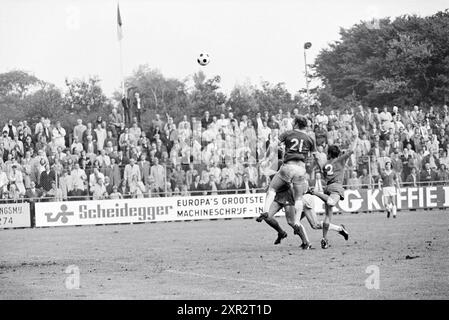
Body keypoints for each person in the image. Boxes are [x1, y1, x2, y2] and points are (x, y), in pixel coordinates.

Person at [261, 115, 315, 225]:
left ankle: (266, 211)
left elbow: (273, 146)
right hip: (300, 169)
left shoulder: (288, 133)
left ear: (296, 124)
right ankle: (296, 222)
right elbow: (314, 157)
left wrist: (265, 158)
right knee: (299, 198)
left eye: (293, 121)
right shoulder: (310, 139)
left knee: (272, 189)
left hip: (288, 167)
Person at [311, 137, 357, 249]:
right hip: (336, 187)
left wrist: (313, 149)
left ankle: (324, 239)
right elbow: (352, 149)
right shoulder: (341, 160)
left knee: (328, 215)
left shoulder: (326, 164)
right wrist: (355, 138)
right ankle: (315, 192)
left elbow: (317, 159)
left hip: (327, 188)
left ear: (329, 153)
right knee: (331, 202)